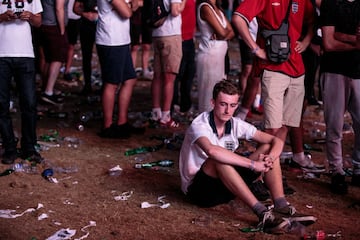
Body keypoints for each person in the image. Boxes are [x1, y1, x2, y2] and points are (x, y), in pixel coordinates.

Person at [179, 80, 316, 233]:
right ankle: (263, 214)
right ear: (213, 103)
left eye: (232, 105)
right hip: (200, 191)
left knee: (268, 148)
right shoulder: (199, 124)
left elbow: (275, 140)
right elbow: (212, 151)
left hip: (227, 186)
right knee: (217, 159)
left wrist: (269, 158)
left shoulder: (235, 123)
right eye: (223, 104)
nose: (227, 110)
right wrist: (253, 165)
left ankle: (281, 205)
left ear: (237, 105)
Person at [232, 0, 315, 144]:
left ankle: (282, 159)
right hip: (272, 67)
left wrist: (306, 42)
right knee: (273, 128)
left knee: (287, 125)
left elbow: (314, 20)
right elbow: (238, 18)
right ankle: (267, 163)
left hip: (296, 67)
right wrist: (256, 49)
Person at [319, 0, 360, 194]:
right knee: (334, 124)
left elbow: (335, 37)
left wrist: (342, 36)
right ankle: (337, 171)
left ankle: (357, 167)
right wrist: (356, 42)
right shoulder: (331, 3)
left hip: (357, 70)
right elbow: (328, 42)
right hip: (335, 69)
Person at [0, 0, 43, 164]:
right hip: (1, 54)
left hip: (25, 54)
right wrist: (3, 16)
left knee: (29, 103)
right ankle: (9, 148)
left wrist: (30, 16)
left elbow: (39, 22)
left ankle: (29, 148)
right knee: (1, 104)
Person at [96, 0, 143, 139]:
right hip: (110, 40)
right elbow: (127, 12)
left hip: (121, 40)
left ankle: (122, 122)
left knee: (129, 79)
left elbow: (136, 4)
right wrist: (131, 5)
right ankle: (108, 126)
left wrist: (131, 5)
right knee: (112, 83)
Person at [150, 0, 187, 127]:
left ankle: (155, 113)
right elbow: (175, 11)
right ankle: (166, 116)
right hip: (171, 34)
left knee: (157, 76)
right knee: (169, 78)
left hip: (157, 34)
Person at [196, 0, 234, 113]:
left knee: (219, 95)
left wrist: (223, 34)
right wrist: (224, 34)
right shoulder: (205, 7)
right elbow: (223, 32)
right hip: (209, 56)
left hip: (219, 57)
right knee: (208, 97)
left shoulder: (219, 10)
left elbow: (232, 32)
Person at [39, 0, 69, 105]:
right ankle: (48, 91)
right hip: (54, 25)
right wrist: (62, 30)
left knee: (48, 58)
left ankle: (45, 88)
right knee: (57, 59)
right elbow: (59, 8)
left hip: (44, 23)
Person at [172, 0, 196, 115]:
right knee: (177, 74)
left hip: (189, 38)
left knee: (189, 74)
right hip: (179, 37)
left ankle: (185, 104)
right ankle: (174, 103)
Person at [73, 0, 98, 95]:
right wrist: (85, 14)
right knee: (86, 56)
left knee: (104, 56)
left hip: (102, 26)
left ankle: (106, 85)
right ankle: (87, 85)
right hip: (86, 26)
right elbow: (75, 8)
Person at [130, 1, 154, 80]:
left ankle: (145, 70)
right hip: (135, 18)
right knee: (134, 46)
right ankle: (131, 71)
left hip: (147, 17)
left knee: (146, 45)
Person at [63, 0, 81, 82]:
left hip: (74, 17)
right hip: (62, 16)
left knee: (71, 45)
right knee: (62, 45)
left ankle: (67, 71)